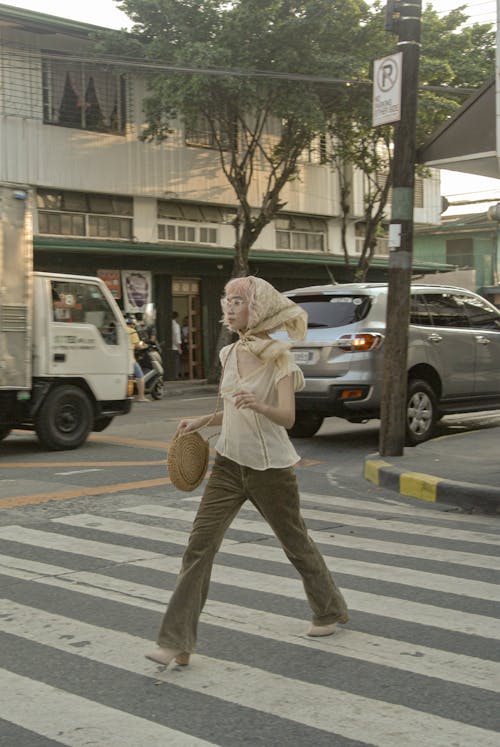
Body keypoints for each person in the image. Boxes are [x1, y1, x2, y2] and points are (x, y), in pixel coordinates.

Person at [146, 276, 348, 668]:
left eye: (238, 300)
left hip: (270, 468)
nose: (228, 306)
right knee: (198, 547)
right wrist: (203, 419)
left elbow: (287, 417)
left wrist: (260, 404)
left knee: (296, 543)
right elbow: (232, 410)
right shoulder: (228, 355)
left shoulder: (280, 358)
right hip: (228, 464)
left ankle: (328, 608)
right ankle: (176, 642)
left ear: (259, 309)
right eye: (226, 299)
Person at [125, 314, 149, 402]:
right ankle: (141, 396)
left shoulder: (120, 330)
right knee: (140, 376)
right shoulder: (132, 331)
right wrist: (145, 346)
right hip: (130, 359)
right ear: (132, 324)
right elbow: (138, 346)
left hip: (119, 359)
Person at [171, 311, 182, 379]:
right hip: (175, 347)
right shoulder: (176, 325)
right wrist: (179, 348)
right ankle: (175, 376)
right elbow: (177, 337)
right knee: (175, 363)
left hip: (169, 347)